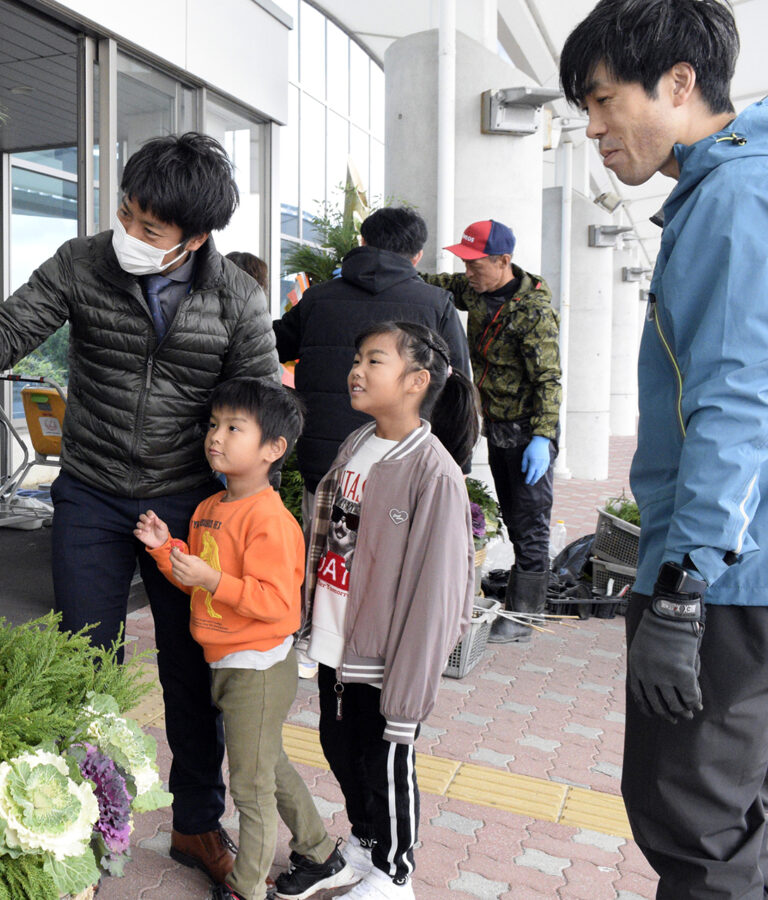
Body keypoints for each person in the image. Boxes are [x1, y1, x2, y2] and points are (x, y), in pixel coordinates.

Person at [0, 132, 278, 886]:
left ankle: (195, 824)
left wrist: (250, 507)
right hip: (90, 491)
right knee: (83, 666)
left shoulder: (237, 298)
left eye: (150, 230)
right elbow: (9, 334)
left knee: (191, 675)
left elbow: (261, 406)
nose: (130, 235)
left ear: (196, 238)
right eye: (126, 214)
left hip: (188, 506)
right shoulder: (83, 262)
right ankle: (79, 821)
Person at [562, 2, 768, 895]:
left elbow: (737, 399)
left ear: (679, 83)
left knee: (694, 826)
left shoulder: (733, 197)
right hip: (743, 569)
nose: (596, 131)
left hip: (723, 580)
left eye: (605, 103)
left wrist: (683, 589)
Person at [135, 378, 357, 900]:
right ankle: (321, 850)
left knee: (251, 789)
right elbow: (198, 582)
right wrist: (167, 550)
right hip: (227, 663)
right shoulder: (211, 507)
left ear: (273, 449)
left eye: (235, 428)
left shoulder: (271, 521)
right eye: (214, 425)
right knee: (268, 765)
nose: (216, 436)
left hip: (258, 667)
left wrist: (211, 579)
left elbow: (278, 605)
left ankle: (248, 887)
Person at [302, 322, 477, 900]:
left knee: (385, 764)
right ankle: (365, 841)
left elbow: (439, 599)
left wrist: (408, 690)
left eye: (373, 360)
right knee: (338, 745)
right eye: (357, 357)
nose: (357, 368)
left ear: (415, 381)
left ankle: (395, 873)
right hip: (336, 639)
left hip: (385, 657)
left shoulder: (434, 473)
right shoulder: (357, 443)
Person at [275, 206, 470, 516]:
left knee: (325, 555)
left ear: (362, 242)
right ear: (417, 255)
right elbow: (457, 386)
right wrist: (459, 462)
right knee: (394, 560)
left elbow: (268, 348)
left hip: (327, 462)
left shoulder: (317, 299)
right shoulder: (436, 304)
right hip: (406, 461)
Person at [423, 220, 561, 643]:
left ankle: (525, 617)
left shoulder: (534, 312)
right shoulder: (477, 289)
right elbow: (436, 283)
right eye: (464, 263)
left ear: (503, 261)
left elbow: (549, 380)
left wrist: (542, 437)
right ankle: (521, 608)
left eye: (475, 264)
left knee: (529, 521)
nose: (467, 272)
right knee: (515, 510)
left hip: (528, 431)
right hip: (498, 426)